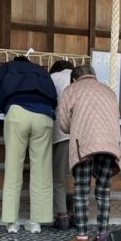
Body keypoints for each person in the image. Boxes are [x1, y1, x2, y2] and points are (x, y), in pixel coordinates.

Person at [57, 65, 121, 241]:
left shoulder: (71, 90)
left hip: (84, 143)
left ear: (74, 79)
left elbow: (63, 123)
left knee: (82, 191)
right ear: (93, 76)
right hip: (109, 143)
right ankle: (102, 236)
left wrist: (77, 124)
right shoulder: (108, 91)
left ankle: (82, 237)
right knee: (103, 190)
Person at [0, 56, 57, 233]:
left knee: (13, 166)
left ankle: (12, 222)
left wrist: (4, 106)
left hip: (18, 112)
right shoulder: (42, 71)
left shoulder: (7, 67)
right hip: (43, 115)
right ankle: (36, 222)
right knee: (42, 169)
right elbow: (54, 96)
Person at [49, 60, 75, 230]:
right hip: (83, 135)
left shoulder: (52, 77)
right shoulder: (78, 78)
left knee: (58, 178)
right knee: (80, 178)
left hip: (61, 133)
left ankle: (62, 216)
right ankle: (78, 215)